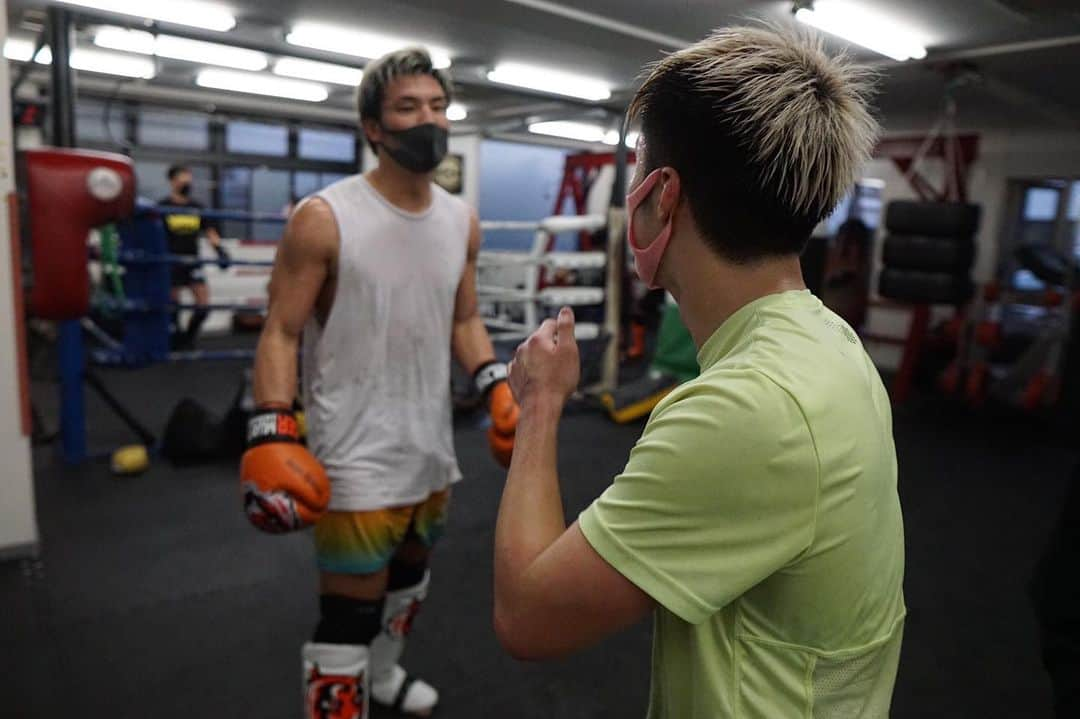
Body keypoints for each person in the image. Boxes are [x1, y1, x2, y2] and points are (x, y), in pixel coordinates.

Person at [493, 25, 905, 718]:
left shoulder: (749, 408)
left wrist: (539, 404)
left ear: (663, 194)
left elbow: (527, 615)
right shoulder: (828, 340)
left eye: (636, 169)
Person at [239, 48, 518, 719]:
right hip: (355, 451)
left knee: (408, 584)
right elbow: (279, 329)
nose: (429, 120)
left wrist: (495, 385)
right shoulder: (325, 217)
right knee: (347, 615)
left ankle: (385, 676)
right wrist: (273, 426)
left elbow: (467, 317)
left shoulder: (460, 219)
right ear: (374, 127)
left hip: (430, 449)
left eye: (437, 106)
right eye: (407, 107)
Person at [158, 165, 229, 349]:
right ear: (173, 181)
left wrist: (220, 250)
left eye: (189, 179)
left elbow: (210, 231)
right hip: (171, 262)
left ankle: (188, 338)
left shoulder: (197, 207)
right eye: (183, 179)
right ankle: (176, 336)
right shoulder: (162, 207)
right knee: (173, 306)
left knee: (203, 306)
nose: (188, 183)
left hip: (193, 261)